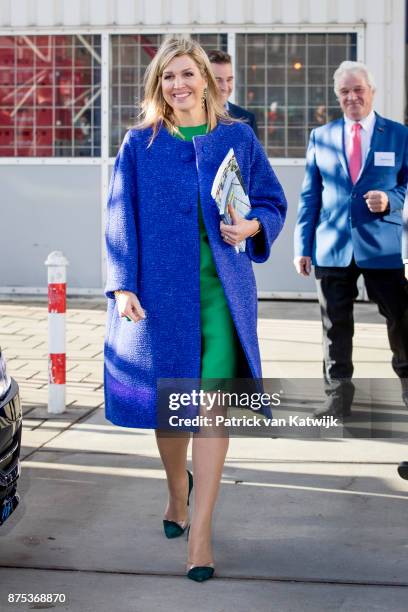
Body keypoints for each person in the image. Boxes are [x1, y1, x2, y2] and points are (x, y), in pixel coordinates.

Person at [104, 37, 287, 582]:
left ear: (206, 78)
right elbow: (119, 217)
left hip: (222, 296)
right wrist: (122, 286)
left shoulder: (238, 137)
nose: (178, 85)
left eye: (186, 74)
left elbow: (272, 201)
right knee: (172, 411)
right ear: (157, 85)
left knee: (210, 410)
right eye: (167, 77)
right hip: (161, 298)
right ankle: (176, 494)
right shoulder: (140, 144)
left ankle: (201, 535)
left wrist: (255, 225)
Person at [293, 60, 408, 419]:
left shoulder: (399, 134)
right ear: (337, 96)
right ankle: (338, 396)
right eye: (344, 91)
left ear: (372, 91)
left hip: (383, 246)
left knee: (402, 321)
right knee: (334, 326)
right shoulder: (321, 136)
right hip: (333, 247)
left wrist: (392, 199)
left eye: (358, 89)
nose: (352, 96)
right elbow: (310, 196)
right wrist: (303, 246)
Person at [207, 49, 259, 137]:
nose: (225, 87)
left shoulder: (247, 119)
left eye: (229, 80)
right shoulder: (187, 116)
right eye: (218, 80)